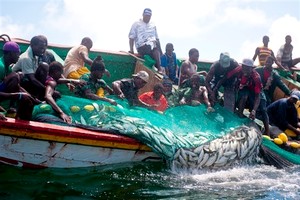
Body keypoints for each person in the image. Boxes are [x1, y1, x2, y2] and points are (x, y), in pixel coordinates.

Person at [226, 58, 269, 135]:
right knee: (243, 97)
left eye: (248, 68)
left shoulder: (256, 78)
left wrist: (254, 110)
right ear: (242, 66)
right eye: (244, 67)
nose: (245, 69)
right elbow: (227, 76)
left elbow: (257, 96)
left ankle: (267, 131)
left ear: (252, 68)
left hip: (256, 91)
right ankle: (239, 117)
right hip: (245, 87)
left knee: (263, 109)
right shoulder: (238, 70)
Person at [12, 35, 49, 100]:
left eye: (44, 48)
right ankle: (36, 97)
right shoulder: (26, 58)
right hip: (18, 84)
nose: (42, 51)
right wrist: (47, 90)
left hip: (29, 80)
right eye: (40, 48)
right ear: (32, 45)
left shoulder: (36, 55)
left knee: (44, 66)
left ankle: (39, 96)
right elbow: (32, 79)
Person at [129, 8, 163, 73]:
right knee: (150, 47)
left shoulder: (153, 24)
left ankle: (159, 68)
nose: (147, 17)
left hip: (153, 46)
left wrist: (161, 52)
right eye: (146, 16)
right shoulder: (136, 24)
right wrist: (131, 50)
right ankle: (156, 67)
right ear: (143, 15)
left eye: (149, 16)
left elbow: (157, 38)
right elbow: (131, 38)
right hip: (142, 46)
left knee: (156, 48)